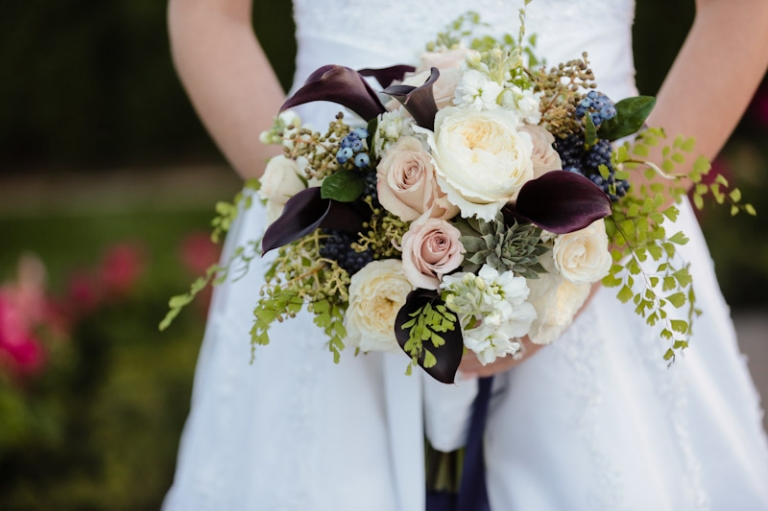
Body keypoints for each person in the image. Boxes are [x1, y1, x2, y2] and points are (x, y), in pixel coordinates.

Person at [163, 0, 768, 509]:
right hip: (324, 244)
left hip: (601, 230)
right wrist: (329, 225)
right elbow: (209, 18)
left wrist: (596, 238)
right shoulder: (327, 229)